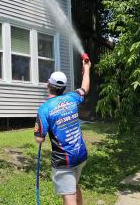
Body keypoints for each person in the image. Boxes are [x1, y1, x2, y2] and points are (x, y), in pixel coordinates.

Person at [34, 60, 91, 205]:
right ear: (63, 87)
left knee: (69, 197)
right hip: (81, 155)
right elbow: (84, 88)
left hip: (64, 161)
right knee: (74, 186)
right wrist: (87, 68)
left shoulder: (44, 109)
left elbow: (39, 139)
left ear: (48, 85)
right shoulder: (72, 98)